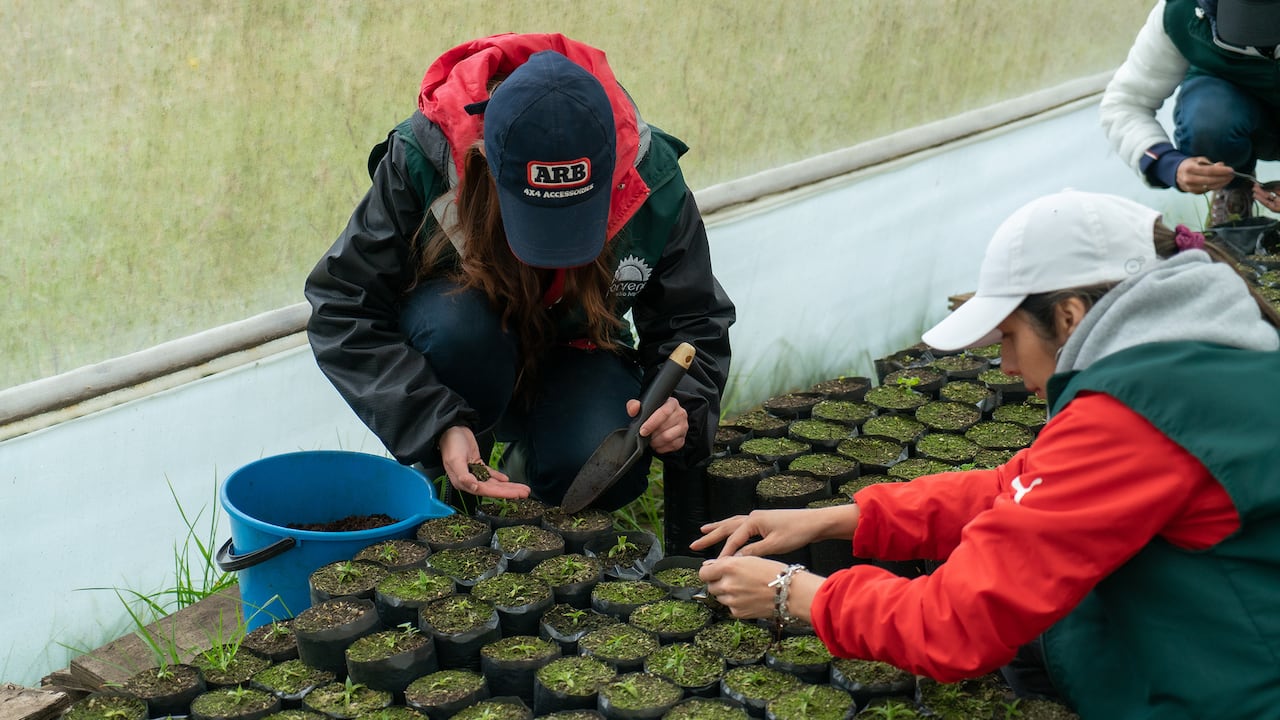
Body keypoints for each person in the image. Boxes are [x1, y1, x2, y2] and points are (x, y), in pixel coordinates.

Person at [695, 190, 1280, 718]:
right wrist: (840, 518)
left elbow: (954, 624)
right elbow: (1019, 489)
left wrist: (791, 592)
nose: (1003, 365)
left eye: (1008, 336)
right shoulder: (1192, 363)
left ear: (1070, 315)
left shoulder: (1139, 415)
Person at [304, 33, 735, 538]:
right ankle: (451, 496)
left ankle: (532, 491)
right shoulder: (423, 160)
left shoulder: (649, 179)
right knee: (456, 328)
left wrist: (683, 406)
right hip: (466, 351)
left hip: (577, 352)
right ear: (486, 163)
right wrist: (435, 422)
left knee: (597, 459)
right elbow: (342, 305)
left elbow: (693, 321)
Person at [1099, 0, 1280, 225]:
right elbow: (1124, 102)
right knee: (1209, 121)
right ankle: (1233, 187)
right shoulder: (1180, 13)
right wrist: (1167, 163)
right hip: (1239, 116)